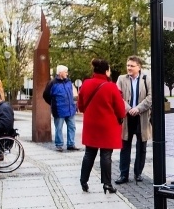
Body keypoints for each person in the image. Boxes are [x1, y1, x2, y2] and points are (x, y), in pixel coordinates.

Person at [78, 59, 125, 193]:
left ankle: (83, 180)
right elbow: (121, 110)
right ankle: (107, 184)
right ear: (106, 71)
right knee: (106, 155)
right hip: (107, 127)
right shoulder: (111, 86)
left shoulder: (86, 84)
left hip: (91, 126)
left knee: (89, 154)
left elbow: (81, 107)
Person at [115, 56, 152, 184]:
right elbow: (117, 96)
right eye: (128, 65)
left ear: (139, 67)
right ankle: (123, 174)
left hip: (142, 117)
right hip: (127, 117)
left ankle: (138, 173)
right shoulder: (121, 79)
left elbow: (151, 96)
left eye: (132, 66)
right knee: (125, 146)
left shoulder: (147, 79)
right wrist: (129, 108)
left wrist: (138, 108)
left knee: (141, 147)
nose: (129, 68)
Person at [47, 65, 78, 152]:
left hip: (70, 109)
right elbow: (46, 95)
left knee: (72, 127)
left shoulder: (68, 81)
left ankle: (71, 144)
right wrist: (53, 103)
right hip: (59, 110)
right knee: (59, 128)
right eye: (65, 72)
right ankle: (59, 145)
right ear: (60, 73)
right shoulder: (52, 83)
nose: (67, 74)